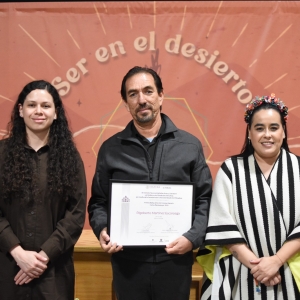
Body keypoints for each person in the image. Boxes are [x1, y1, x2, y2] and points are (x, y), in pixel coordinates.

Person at [88, 66, 212, 300]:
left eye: (148, 91)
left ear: (161, 95)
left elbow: (204, 200)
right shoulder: (111, 149)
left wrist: (192, 238)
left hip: (175, 262)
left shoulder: (189, 145)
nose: (142, 99)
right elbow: (99, 202)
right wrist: (103, 229)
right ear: (125, 102)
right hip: (128, 264)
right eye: (133, 94)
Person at [197, 94, 300, 299]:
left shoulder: (298, 169)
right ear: (250, 134)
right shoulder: (231, 170)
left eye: (274, 127)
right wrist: (259, 267)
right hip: (242, 274)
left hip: (289, 271)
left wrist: (277, 260)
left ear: (284, 132)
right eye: (259, 128)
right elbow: (222, 224)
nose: (267, 135)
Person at [0, 80, 87, 300]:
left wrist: (43, 257)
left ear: (56, 113)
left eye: (46, 106)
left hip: (54, 271)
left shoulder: (70, 158)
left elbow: (75, 215)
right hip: (8, 267)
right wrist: (18, 253)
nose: (39, 111)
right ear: (20, 110)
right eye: (31, 105)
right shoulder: (1, 154)